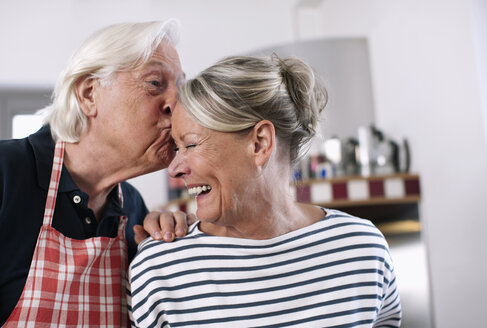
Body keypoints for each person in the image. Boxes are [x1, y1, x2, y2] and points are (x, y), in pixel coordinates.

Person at [128, 55, 402, 327]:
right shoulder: (159, 269)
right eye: (177, 148)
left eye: (190, 145)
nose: (174, 168)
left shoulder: (363, 250)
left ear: (260, 144)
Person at [0, 20, 192, 327]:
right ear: (90, 94)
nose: (176, 104)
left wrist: (169, 248)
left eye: (180, 87)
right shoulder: (7, 172)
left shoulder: (132, 206)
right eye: (155, 83)